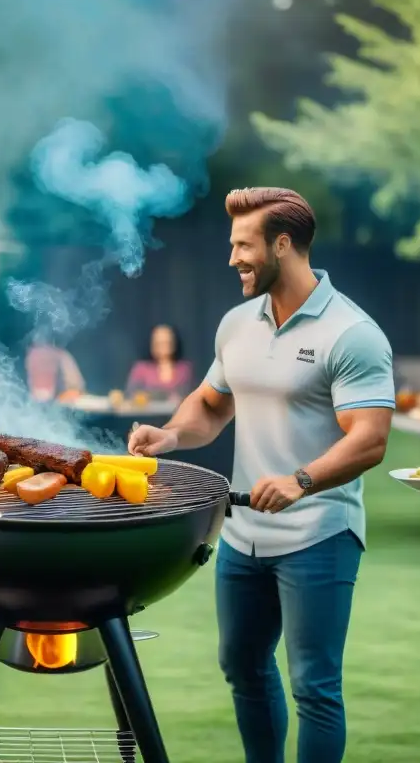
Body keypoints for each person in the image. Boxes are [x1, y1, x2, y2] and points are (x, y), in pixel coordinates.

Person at [128, 187, 395, 763]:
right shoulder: (237, 323)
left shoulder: (351, 333)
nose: (232, 259)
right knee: (242, 667)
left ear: (282, 244)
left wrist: (300, 481)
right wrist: (170, 437)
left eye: (243, 246)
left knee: (313, 686)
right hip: (243, 535)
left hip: (320, 533)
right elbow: (210, 404)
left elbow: (370, 438)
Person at [125, 323, 193, 401]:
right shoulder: (140, 369)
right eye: (159, 343)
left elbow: (188, 396)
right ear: (152, 344)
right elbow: (131, 395)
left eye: (167, 342)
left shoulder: (184, 369)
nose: (164, 346)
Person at [25, 334, 85, 401]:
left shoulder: (32, 354)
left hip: (37, 398)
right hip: (51, 398)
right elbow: (77, 383)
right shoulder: (59, 354)